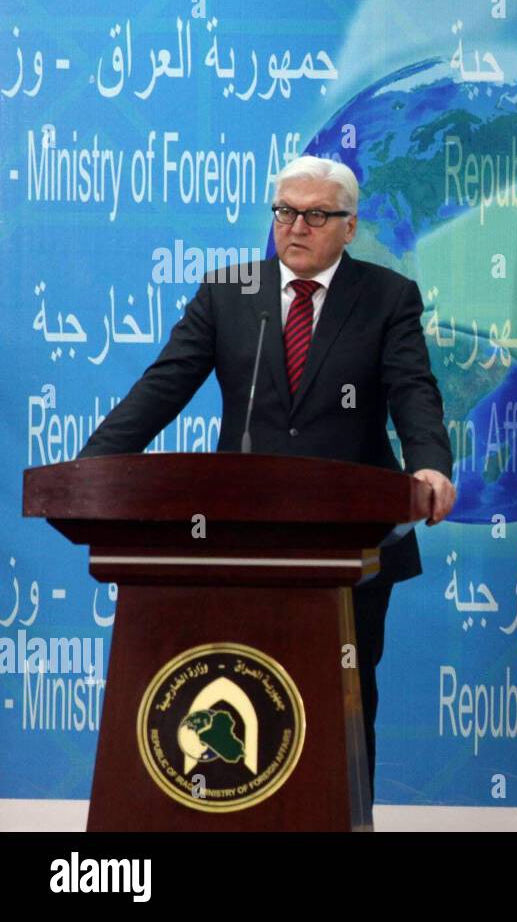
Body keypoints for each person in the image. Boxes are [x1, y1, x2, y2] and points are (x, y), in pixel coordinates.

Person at [79, 155, 455, 807]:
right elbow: (162, 386)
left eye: (315, 214)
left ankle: (344, 820)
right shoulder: (228, 295)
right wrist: (92, 468)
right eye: (284, 212)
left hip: (354, 546)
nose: (296, 226)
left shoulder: (386, 297)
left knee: (345, 700)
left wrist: (429, 465)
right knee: (243, 690)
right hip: (238, 543)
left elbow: (413, 392)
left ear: (348, 225)